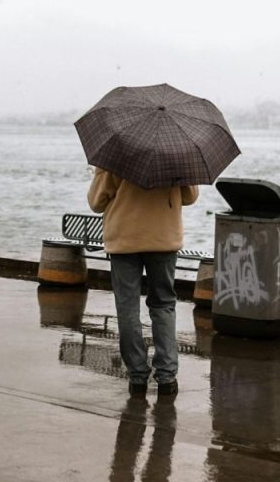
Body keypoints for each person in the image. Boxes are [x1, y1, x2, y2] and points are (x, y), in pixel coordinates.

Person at [88, 167, 198, 398]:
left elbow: (96, 202)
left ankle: (137, 375)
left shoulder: (116, 157)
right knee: (163, 305)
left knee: (127, 307)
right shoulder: (176, 155)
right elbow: (190, 197)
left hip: (124, 240)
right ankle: (167, 376)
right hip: (163, 239)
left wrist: (99, 175)